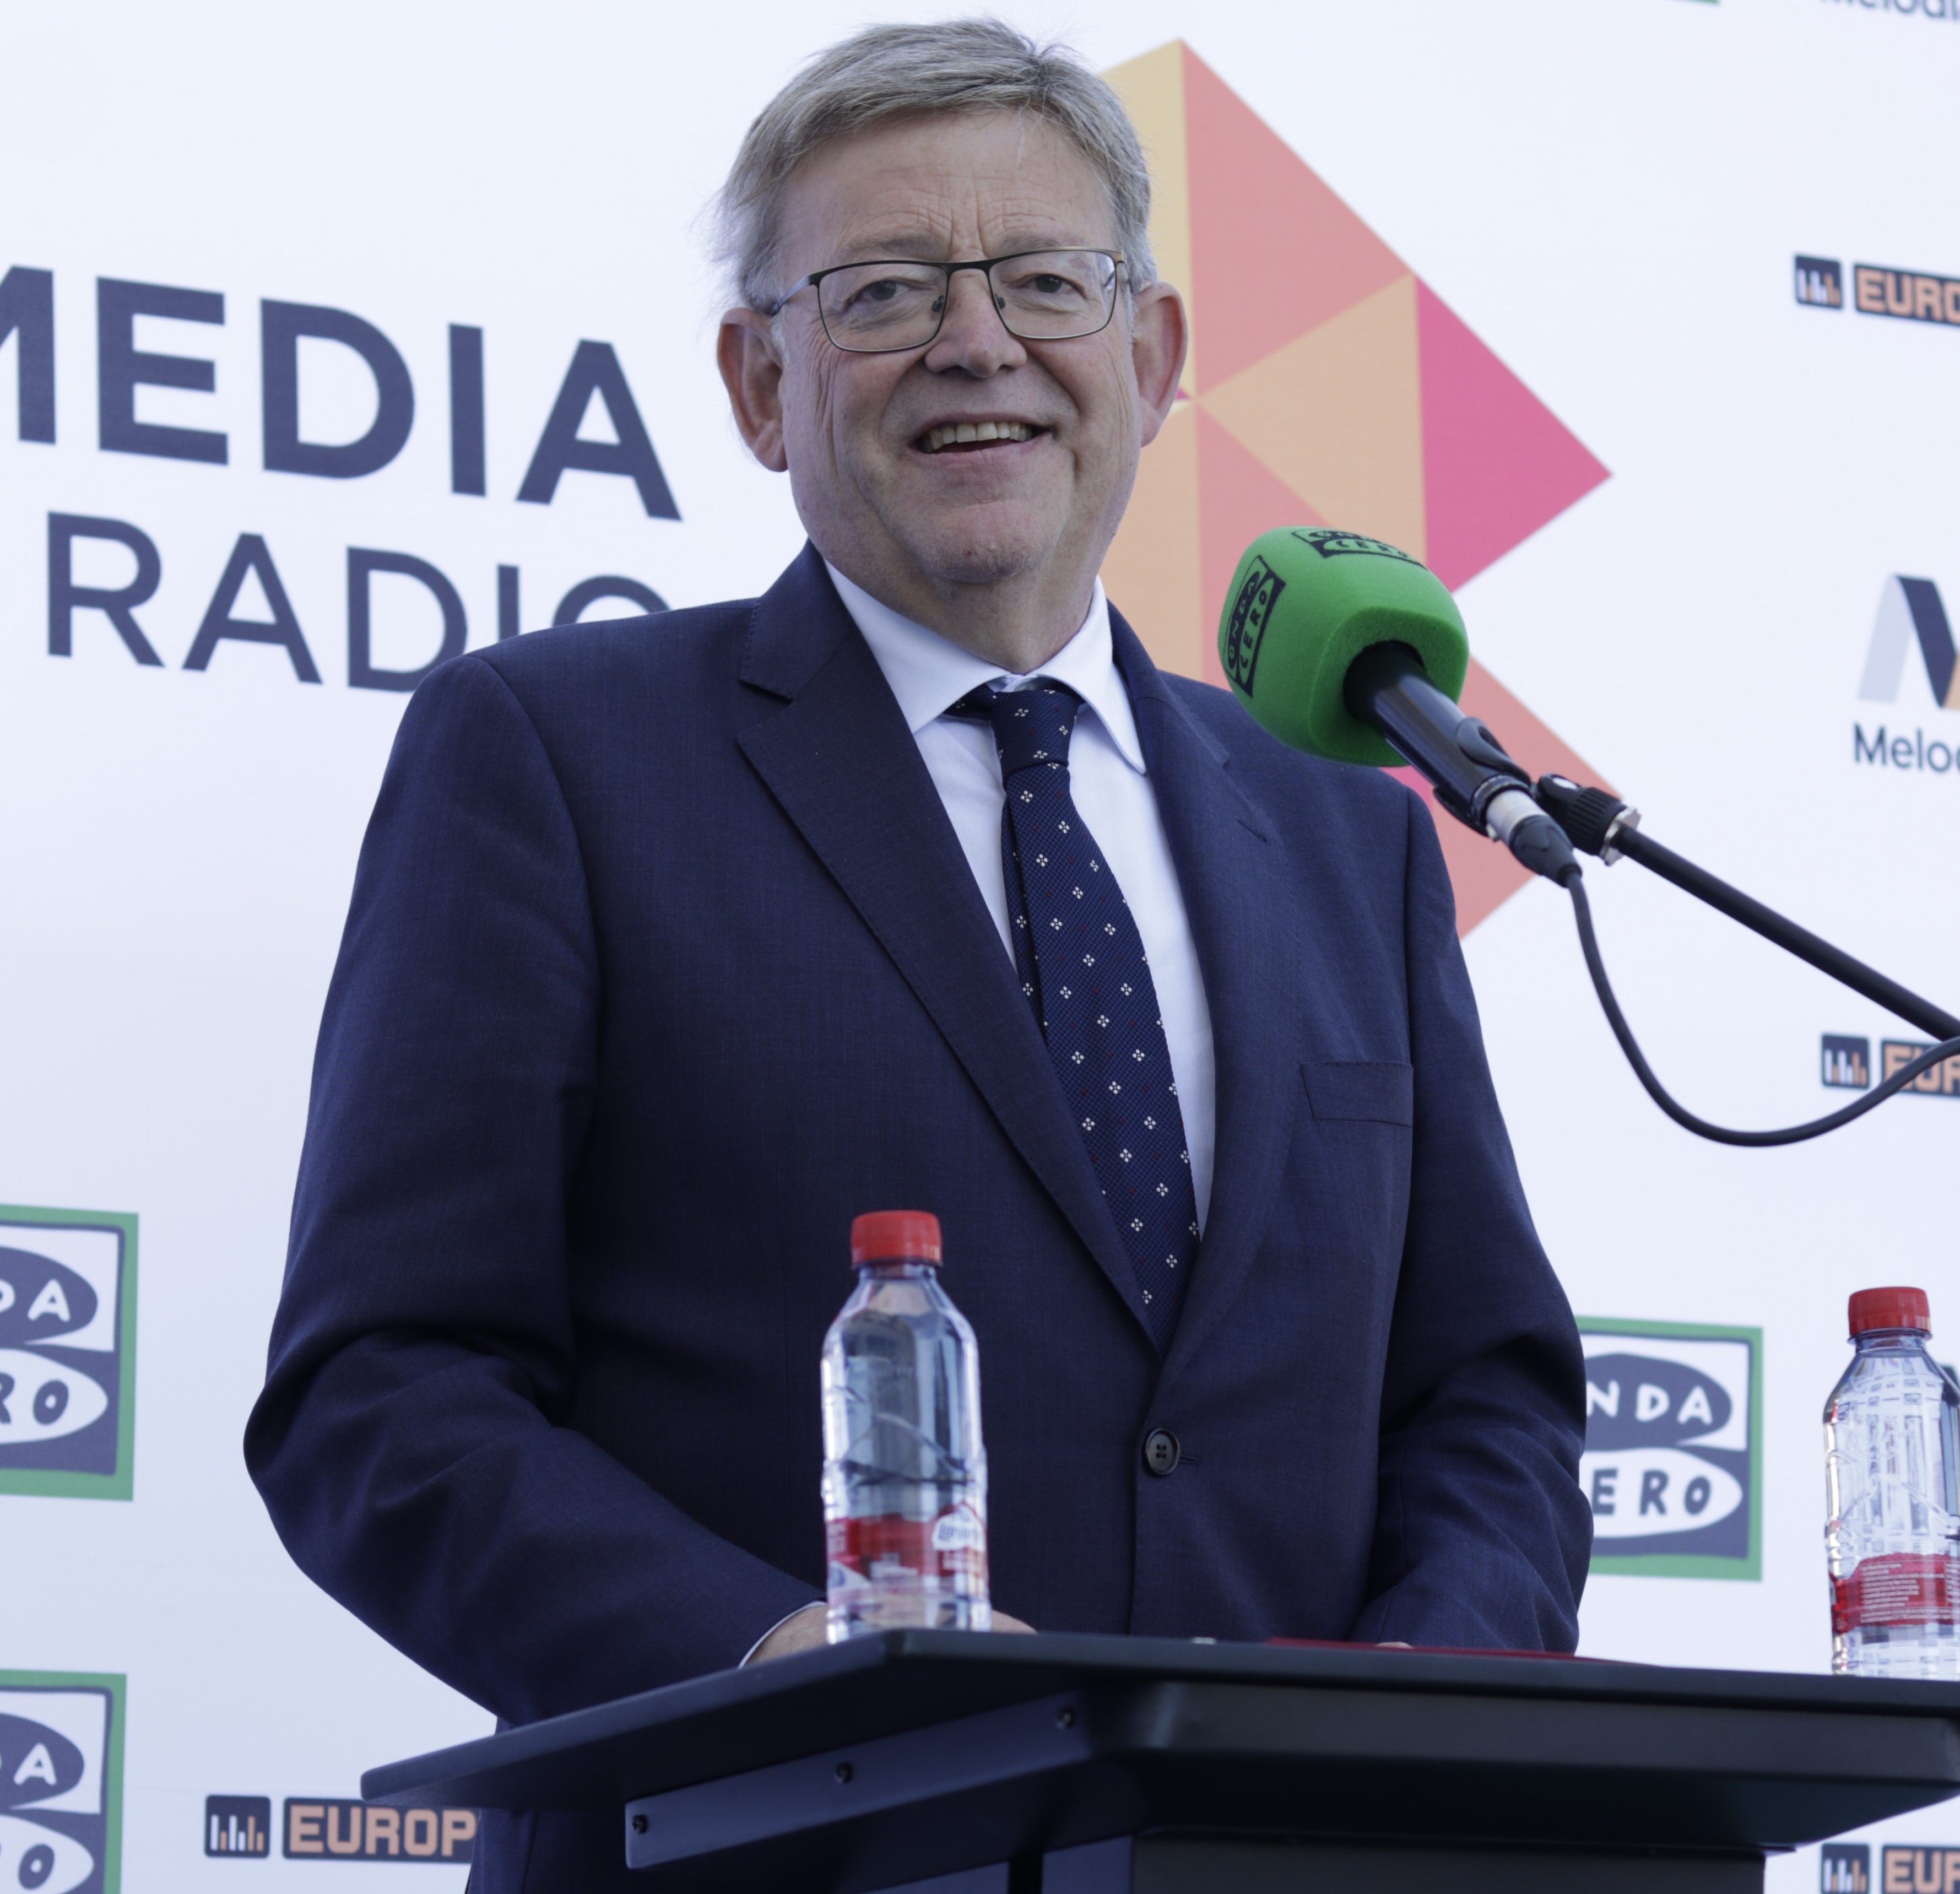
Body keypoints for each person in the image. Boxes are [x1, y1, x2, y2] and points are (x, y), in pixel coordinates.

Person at [245, 19, 1590, 1892]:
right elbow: (381, 1388)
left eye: (1049, 280)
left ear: (1155, 352)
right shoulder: (553, 754)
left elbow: (1486, 1396)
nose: (979, 344)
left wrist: (1413, 1711)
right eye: (881, 292)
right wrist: (783, 1671)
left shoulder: (1349, 822)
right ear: (758, 383)